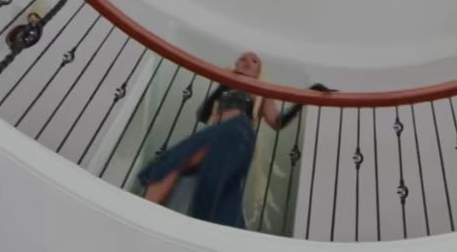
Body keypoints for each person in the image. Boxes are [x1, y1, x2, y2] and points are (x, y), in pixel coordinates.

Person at [137, 52, 326, 228]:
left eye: (254, 61)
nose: (247, 61)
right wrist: (225, 83)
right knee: (184, 165)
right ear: (236, 64)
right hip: (215, 132)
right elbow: (203, 114)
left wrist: (309, 94)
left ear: (260, 72)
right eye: (243, 58)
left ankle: (148, 215)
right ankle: (146, 216)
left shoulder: (263, 90)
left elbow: (276, 122)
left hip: (239, 132)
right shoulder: (226, 84)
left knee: (186, 162)